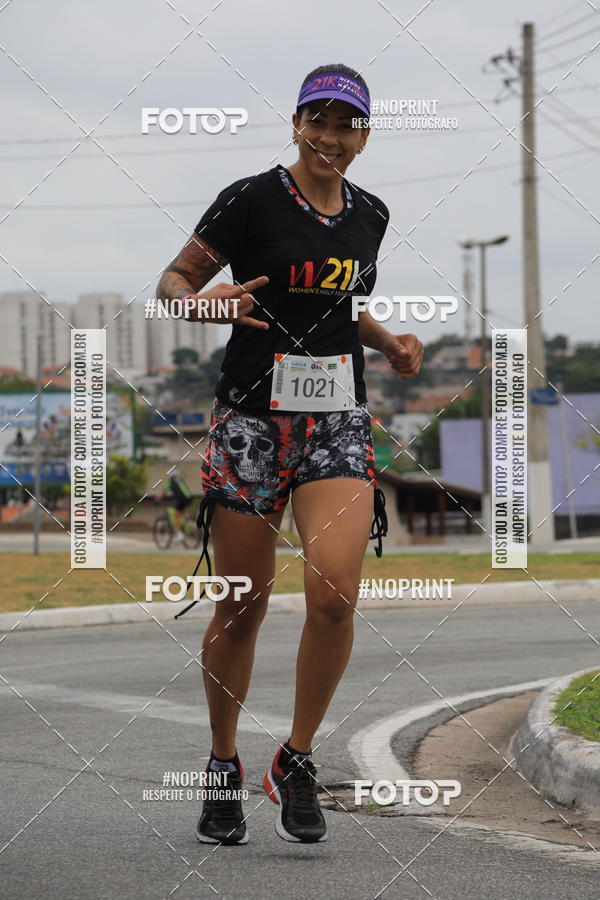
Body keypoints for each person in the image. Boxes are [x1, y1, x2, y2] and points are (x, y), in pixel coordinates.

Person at [156, 63, 423, 846]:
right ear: (297, 123)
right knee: (240, 607)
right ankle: (222, 762)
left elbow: (340, 300)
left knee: (336, 594)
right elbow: (173, 282)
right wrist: (201, 304)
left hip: (336, 419)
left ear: (365, 136)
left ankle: (297, 758)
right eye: (319, 120)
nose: (330, 137)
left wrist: (391, 341)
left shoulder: (371, 213)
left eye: (346, 125)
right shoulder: (251, 198)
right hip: (250, 423)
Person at [154, 468, 193, 542]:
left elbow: (163, 492)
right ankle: (187, 526)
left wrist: (157, 500)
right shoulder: (180, 479)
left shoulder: (171, 481)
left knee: (175, 516)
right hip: (189, 497)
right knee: (181, 515)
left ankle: (179, 535)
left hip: (182, 499)